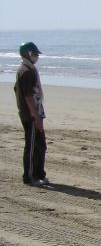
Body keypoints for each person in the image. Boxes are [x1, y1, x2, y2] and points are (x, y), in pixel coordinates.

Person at [14, 42, 49, 186]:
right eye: (35, 54)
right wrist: (35, 117)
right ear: (29, 54)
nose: (37, 57)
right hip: (30, 115)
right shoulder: (26, 71)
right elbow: (28, 96)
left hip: (35, 113)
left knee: (41, 145)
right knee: (32, 146)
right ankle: (29, 177)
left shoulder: (27, 69)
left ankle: (39, 173)